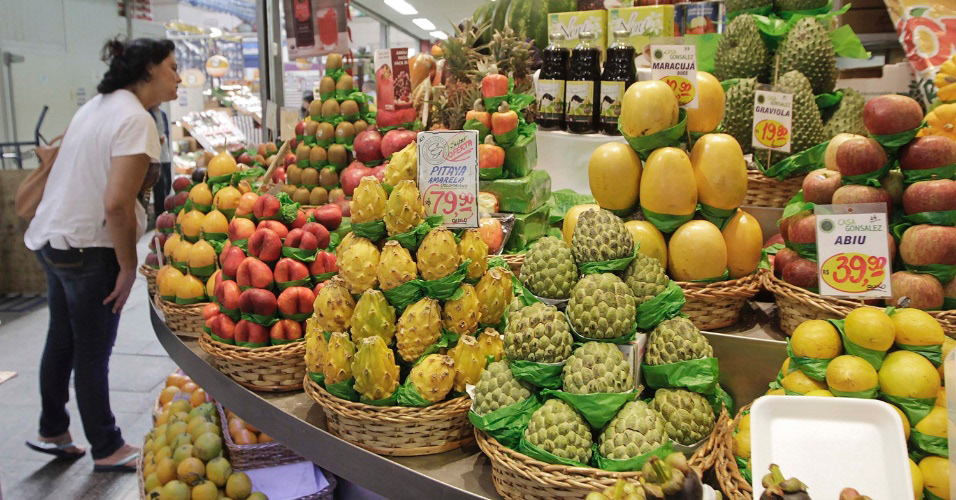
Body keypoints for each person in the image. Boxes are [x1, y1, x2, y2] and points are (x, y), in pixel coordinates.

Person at [22, 36, 180, 472]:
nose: (179, 76)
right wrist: (128, 266)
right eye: (172, 66)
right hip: (90, 249)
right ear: (149, 69)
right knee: (92, 351)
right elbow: (116, 205)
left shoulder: (96, 106)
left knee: (62, 338)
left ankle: (53, 428)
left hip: (53, 240)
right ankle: (107, 445)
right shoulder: (135, 119)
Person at [150, 105, 172, 220]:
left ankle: (166, 211)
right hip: (155, 156)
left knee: (168, 183)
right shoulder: (148, 114)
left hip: (165, 154)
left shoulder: (163, 114)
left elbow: (166, 132)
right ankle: (160, 214)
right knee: (159, 186)